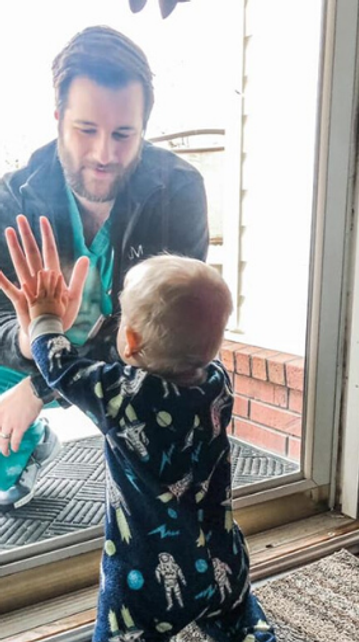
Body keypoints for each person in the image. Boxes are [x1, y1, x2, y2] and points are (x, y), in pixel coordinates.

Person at [3, 218, 288, 642]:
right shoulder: (218, 383)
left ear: (128, 344)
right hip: (223, 564)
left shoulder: (123, 397)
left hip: (146, 582)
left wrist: (49, 316)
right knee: (240, 611)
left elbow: (59, 365)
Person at [0, 25, 208, 507]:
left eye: (123, 134)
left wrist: (40, 387)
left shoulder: (177, 192)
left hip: (139, 363)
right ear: (57, 118)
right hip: (38, 350)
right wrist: (34, 345)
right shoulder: (13, 197)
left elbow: (169, 333)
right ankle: (28, 451)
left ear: (144, 128)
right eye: (86, 130)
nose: (104, 155)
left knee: (169, 483)